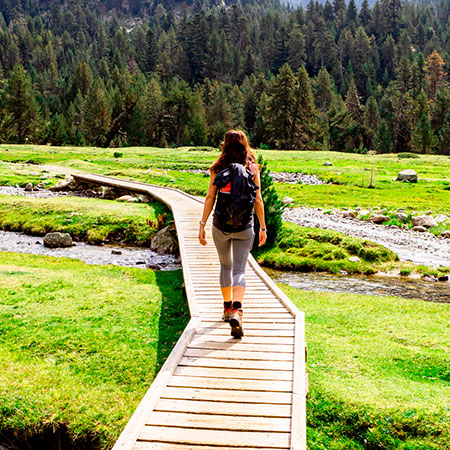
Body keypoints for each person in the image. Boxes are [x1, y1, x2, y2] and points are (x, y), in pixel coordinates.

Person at [198, 130, 267, 338]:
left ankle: (227, 308)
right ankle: (238, 309)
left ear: (224, 146)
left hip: (221, 226)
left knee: (225, 266)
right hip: (245, 227)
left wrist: (201, 224)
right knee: (239, 269)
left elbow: (210, 197)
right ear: (245, 145)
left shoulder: (217, 168)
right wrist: (262, 227)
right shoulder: (252, 168)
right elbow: (258, 200)